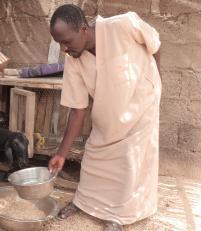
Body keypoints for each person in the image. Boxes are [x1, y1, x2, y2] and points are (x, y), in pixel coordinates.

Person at [48, 4, 161, 231]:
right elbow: (78, 109)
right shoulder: (74, 60)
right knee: (93, 160)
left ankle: (119, 216)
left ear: (82, 29)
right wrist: (62, 153)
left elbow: (155, 45)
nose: (64, 48)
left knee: (131, 166)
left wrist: (156, 79)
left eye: (67, 41)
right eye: (59, 43)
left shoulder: (123, 25)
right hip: (107, 115)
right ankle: (83, 202)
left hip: (140, 110)